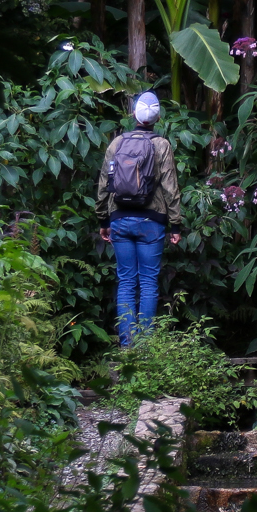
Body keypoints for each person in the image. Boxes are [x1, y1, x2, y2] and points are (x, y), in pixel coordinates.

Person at [96, 91, 183, 346]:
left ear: (133, 114)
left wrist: (103, 220)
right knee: (147, 283)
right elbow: (170, 187)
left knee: (125, 282)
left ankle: (127, 346)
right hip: (151, 222)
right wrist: (176, 223)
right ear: (157, 117)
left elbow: (104, 183)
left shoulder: (116, 143)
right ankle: (145, 347)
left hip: (119, 219)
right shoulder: (161, 144)